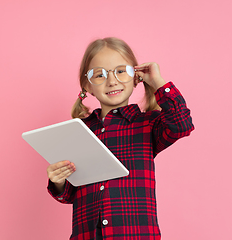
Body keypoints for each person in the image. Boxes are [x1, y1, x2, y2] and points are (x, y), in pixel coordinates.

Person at [46, 37, 194, 240]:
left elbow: (182, 124)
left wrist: (158, 82)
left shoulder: (148, 124)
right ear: (87, 85)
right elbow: (70, 195)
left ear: (136, 77)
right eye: (99, 75)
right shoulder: (79, 131)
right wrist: (59, 181)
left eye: (121, 71)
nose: (112, 80)